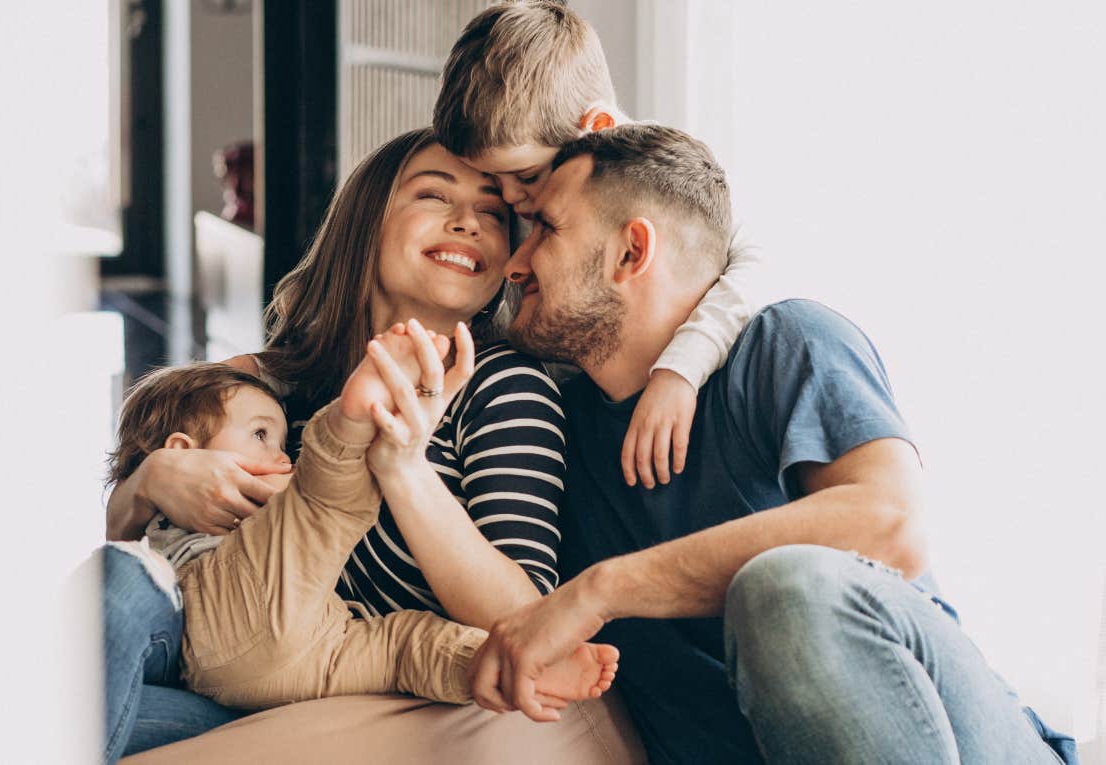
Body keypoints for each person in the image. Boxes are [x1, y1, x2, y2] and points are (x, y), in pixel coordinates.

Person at [464, 123, 1079, 764]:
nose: (514, 261)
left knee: (784, 587)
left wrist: (599, 591)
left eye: (547, 229)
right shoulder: (554, 431)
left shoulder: (783, 345)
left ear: (631, 253)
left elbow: (888, 524)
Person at [100, 128, 648, 764]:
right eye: (434, 196)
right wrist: (150, 481)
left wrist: (404, 469)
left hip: (357, 697)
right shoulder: (269, 382)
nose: (468, 222)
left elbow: (523, 613)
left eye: (493, 213)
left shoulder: (503, 386)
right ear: (368, 220)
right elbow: (137, 553)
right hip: (219, 674)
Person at [106, 356, 618, 712]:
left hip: (316, 644)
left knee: (406, 649)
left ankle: (510, 668)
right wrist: (152, 477)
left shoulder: (505, 383)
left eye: (283, 439)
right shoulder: (282, 382)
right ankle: (347, 429)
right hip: (224, 624)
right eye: (263, 436)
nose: (283, 455)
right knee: (325, 498)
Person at [432, 0, 763, 491]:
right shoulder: (522, 192)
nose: (510, 199)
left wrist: (678, 371)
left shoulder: (668, 185)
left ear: (599, 128)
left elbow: (754, 267)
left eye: (525, 175)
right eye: (492, 180)